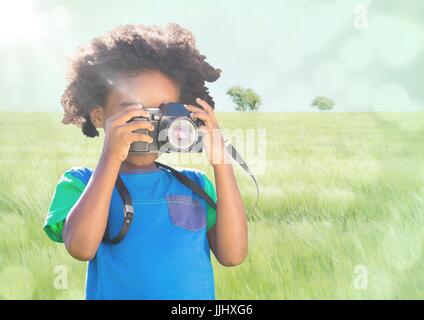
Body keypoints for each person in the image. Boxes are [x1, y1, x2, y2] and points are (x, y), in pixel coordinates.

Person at [43, 23, 248, 300]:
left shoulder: (195, 186)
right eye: (133, 112)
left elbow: (233, 255)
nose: (149, 125)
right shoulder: (80, 183)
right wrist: (111, 155)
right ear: (99, 116)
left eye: (164, 113)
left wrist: (220, 160)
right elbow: (81, 247)